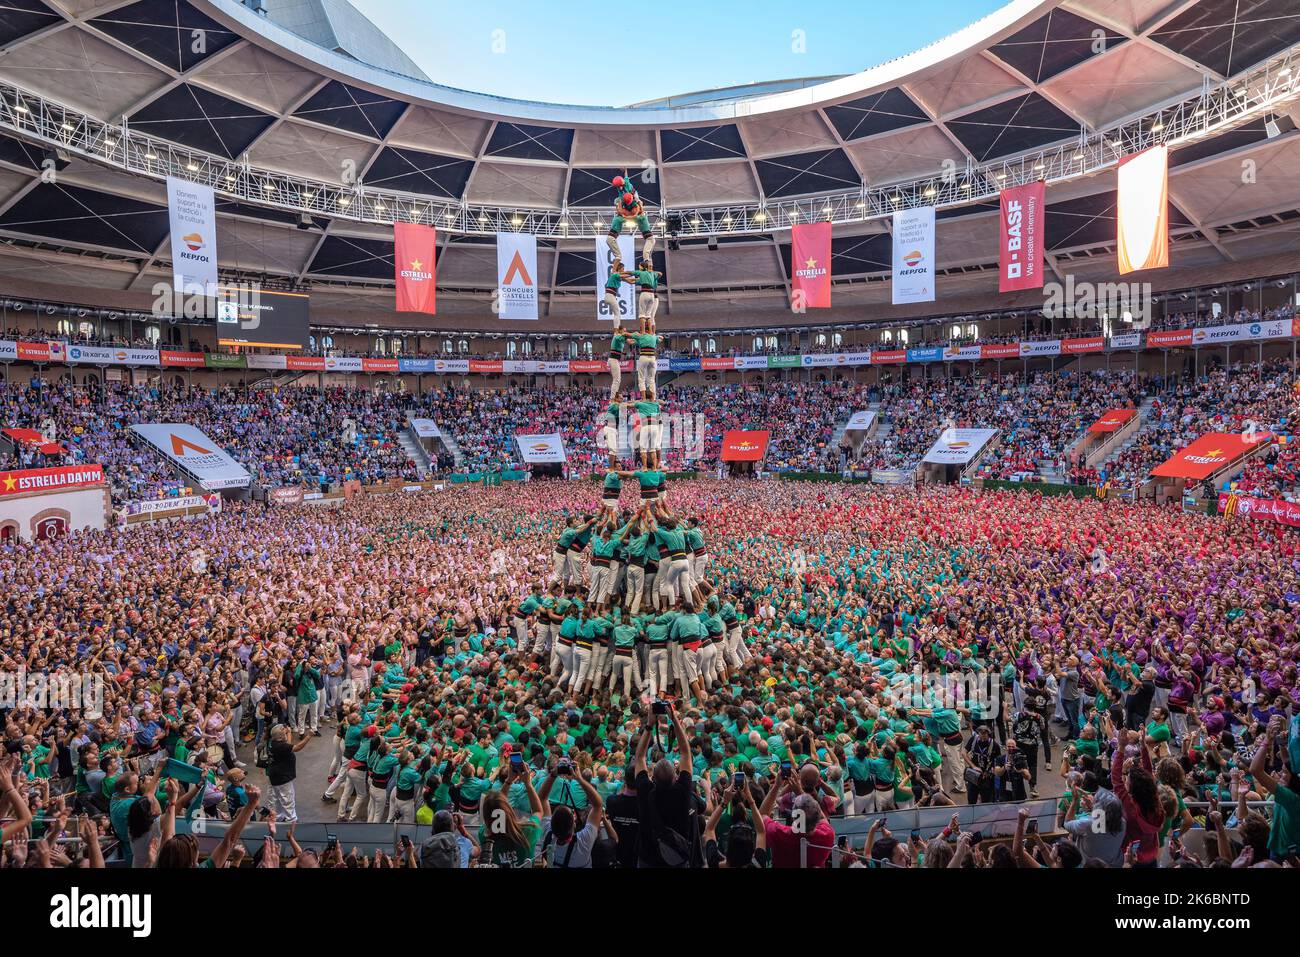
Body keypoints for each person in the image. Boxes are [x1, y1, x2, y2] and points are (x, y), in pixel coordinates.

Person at [266, 724, 312, 823]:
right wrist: (309, 736)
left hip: (275, 776)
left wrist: (289, 732)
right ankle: (292, 820)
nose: (285, 730)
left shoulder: (273, 743)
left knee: (278, 799)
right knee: (288, 799)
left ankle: (278, 818)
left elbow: (288, 745)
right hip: (282, 777)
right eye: (283, 730)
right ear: (280, 735)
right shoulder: (280, 746)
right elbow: (297, 747)